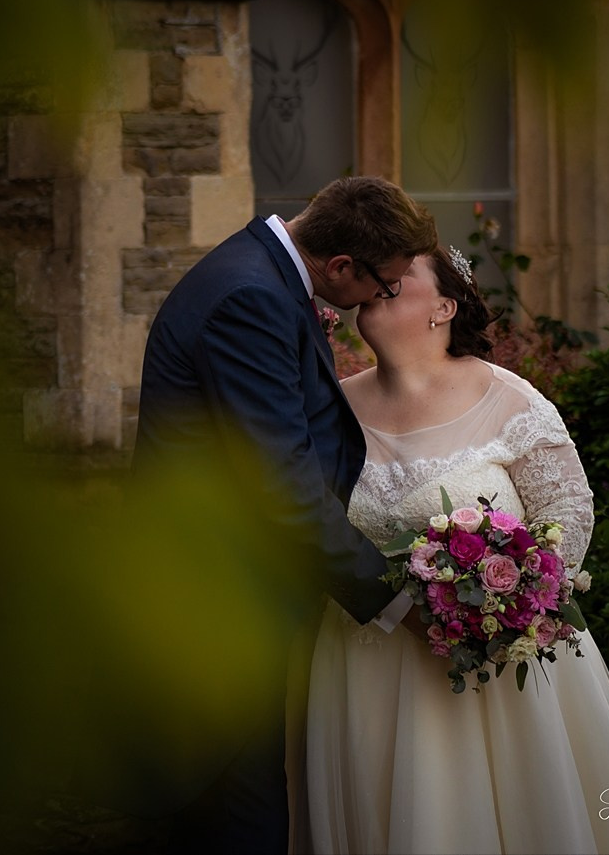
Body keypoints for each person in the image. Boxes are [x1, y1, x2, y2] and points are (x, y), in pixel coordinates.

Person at [301, 244, 609, 854]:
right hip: (367, 656)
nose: (380, 286)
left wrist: (516, 605)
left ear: (444, 308)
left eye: (399, 281)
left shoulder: (508, 398)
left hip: (497, 658)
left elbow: (568, 512)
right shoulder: (331, 409)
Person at [130, 177, 438, 854]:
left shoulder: (262, 281)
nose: (379, 300)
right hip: (217, 606)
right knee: (245, 819)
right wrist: (398, 602)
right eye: (382, 285)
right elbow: (284, 486)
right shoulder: (252, 297)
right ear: (340, 267)